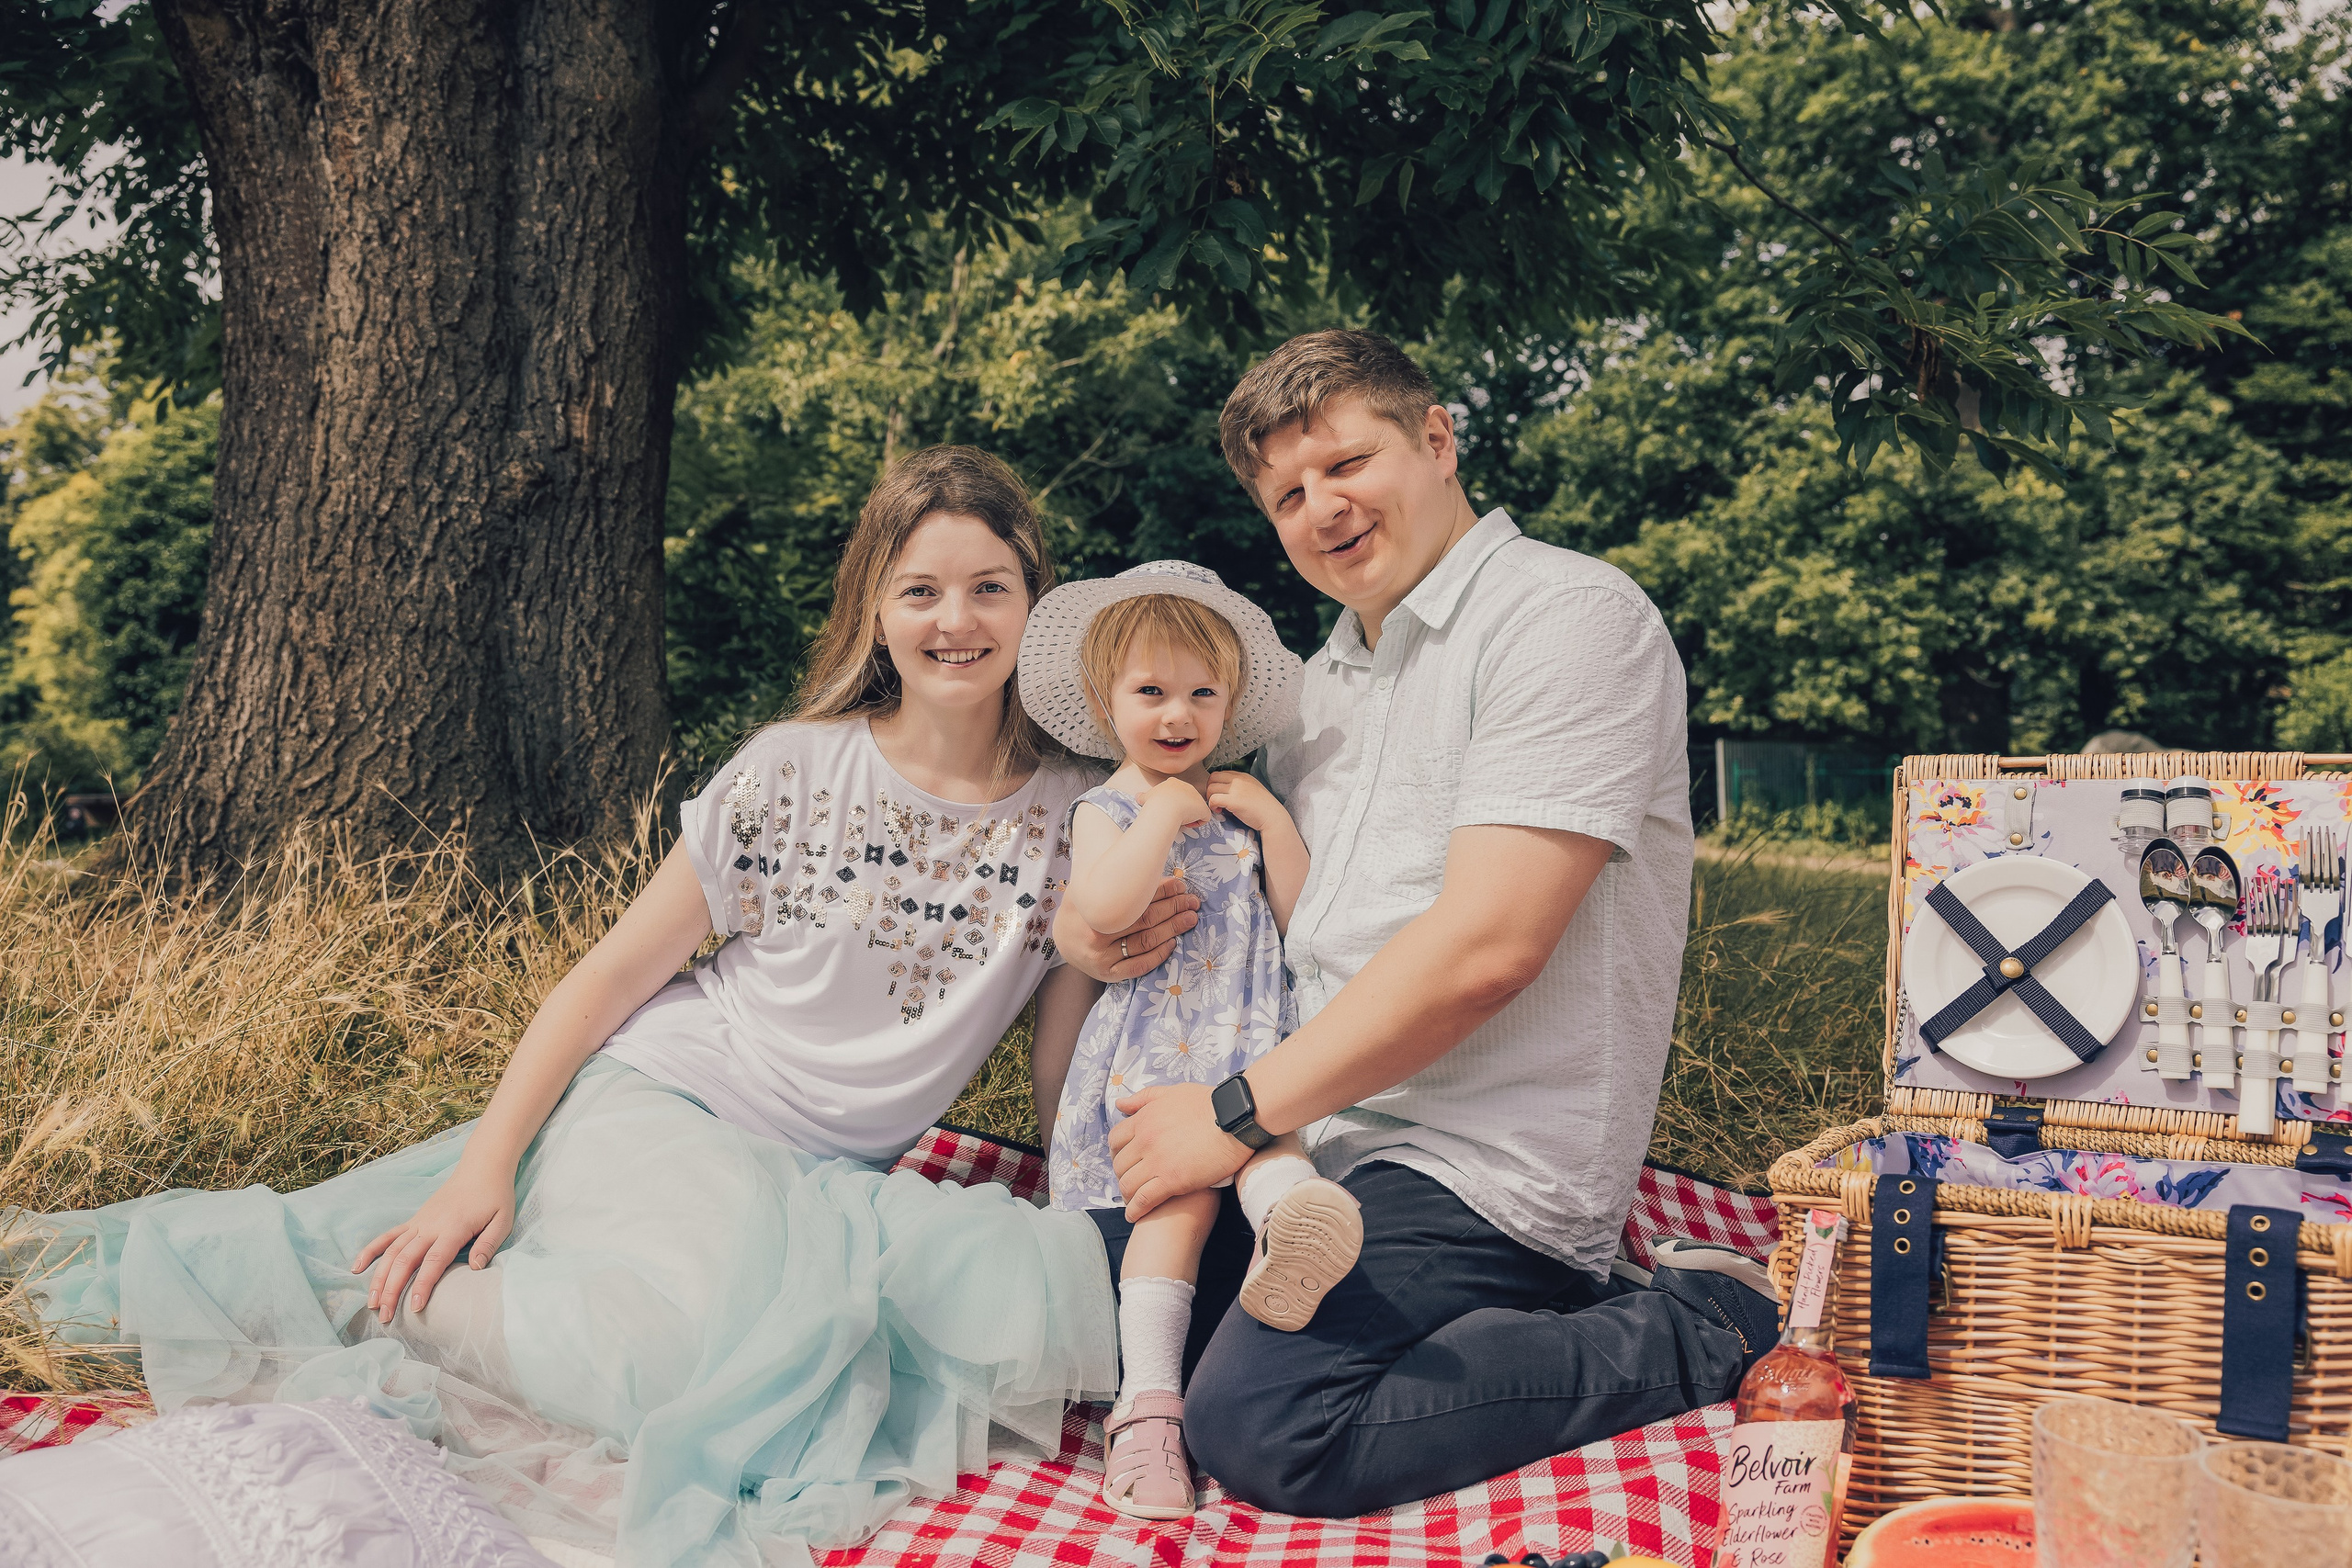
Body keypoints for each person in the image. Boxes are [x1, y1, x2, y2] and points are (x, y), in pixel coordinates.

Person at [14, 448, 1162, 1568]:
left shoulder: (1076, 814)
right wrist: (485, 1165)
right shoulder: (797, 771)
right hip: (671, 1104)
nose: (953, 619)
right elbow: (609, 979)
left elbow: (1060, 1038)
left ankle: (500, 1307)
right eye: (920, 590)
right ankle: (381, 1307)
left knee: (889, 1327)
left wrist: (1074, 1190)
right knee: (684, 1361)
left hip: (831, 1181)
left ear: (1033, 607)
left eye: (987, 588)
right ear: (874, 611)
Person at [1056, 331, 1781, 1518]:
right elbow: (1235, 902)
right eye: (1288, 493)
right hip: (1319, 1150)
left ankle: (1696, 1322)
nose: (1323, 507)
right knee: (1082, 1295)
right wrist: (1098, 941)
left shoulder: (1565, 618)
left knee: (1266, 1422)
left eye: (1347, 462)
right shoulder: (1313, 691)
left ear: (1438, 438)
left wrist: (1231, 1110)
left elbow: (1489, 945)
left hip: (1486, 1164)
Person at [1014, 563, 1363, 1520]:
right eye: (1152, 692)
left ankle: (1298, 1222)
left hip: (1247, 1048)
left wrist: (1274, 823)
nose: (1179, 714)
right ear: (1105, 700)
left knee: (1270, 1141)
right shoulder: (1111, 807)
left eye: (1202, 693)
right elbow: (1104, 906)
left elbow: (1300, 920)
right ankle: (1149, 1412)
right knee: (1177, 1207)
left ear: (1231, 704)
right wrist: (1165, 808)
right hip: (1152, 1060)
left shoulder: (1236, 803)